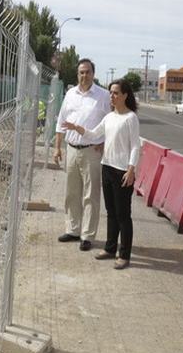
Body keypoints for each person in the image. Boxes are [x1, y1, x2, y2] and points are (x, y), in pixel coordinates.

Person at [62, 79, 140, 269]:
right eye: (111, 93)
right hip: (107, 167)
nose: (111, 96)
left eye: (115, 93)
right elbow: (94, 134)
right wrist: (76, 128)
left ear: (125, 95)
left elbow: (136, 146)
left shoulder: (130, 118)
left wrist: (131, 169)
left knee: (123, 215)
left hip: (122, 171)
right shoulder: (110, 117)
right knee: (111, 213)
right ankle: (110, 248)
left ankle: (124, 255)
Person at [54, 59, 110, 251]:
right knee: (71, 193)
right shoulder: (70, 94)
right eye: (80, 72)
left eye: (87, 72)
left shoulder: (103, 96)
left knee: (90, 195)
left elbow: (112, 121)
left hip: (91, 151)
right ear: (77, 74)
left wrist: (104, 141)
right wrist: (57, 147)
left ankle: (87, 235)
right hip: (71, 149)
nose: (83, 76)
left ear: (93, 74)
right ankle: (73, 229)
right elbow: (61, 121)